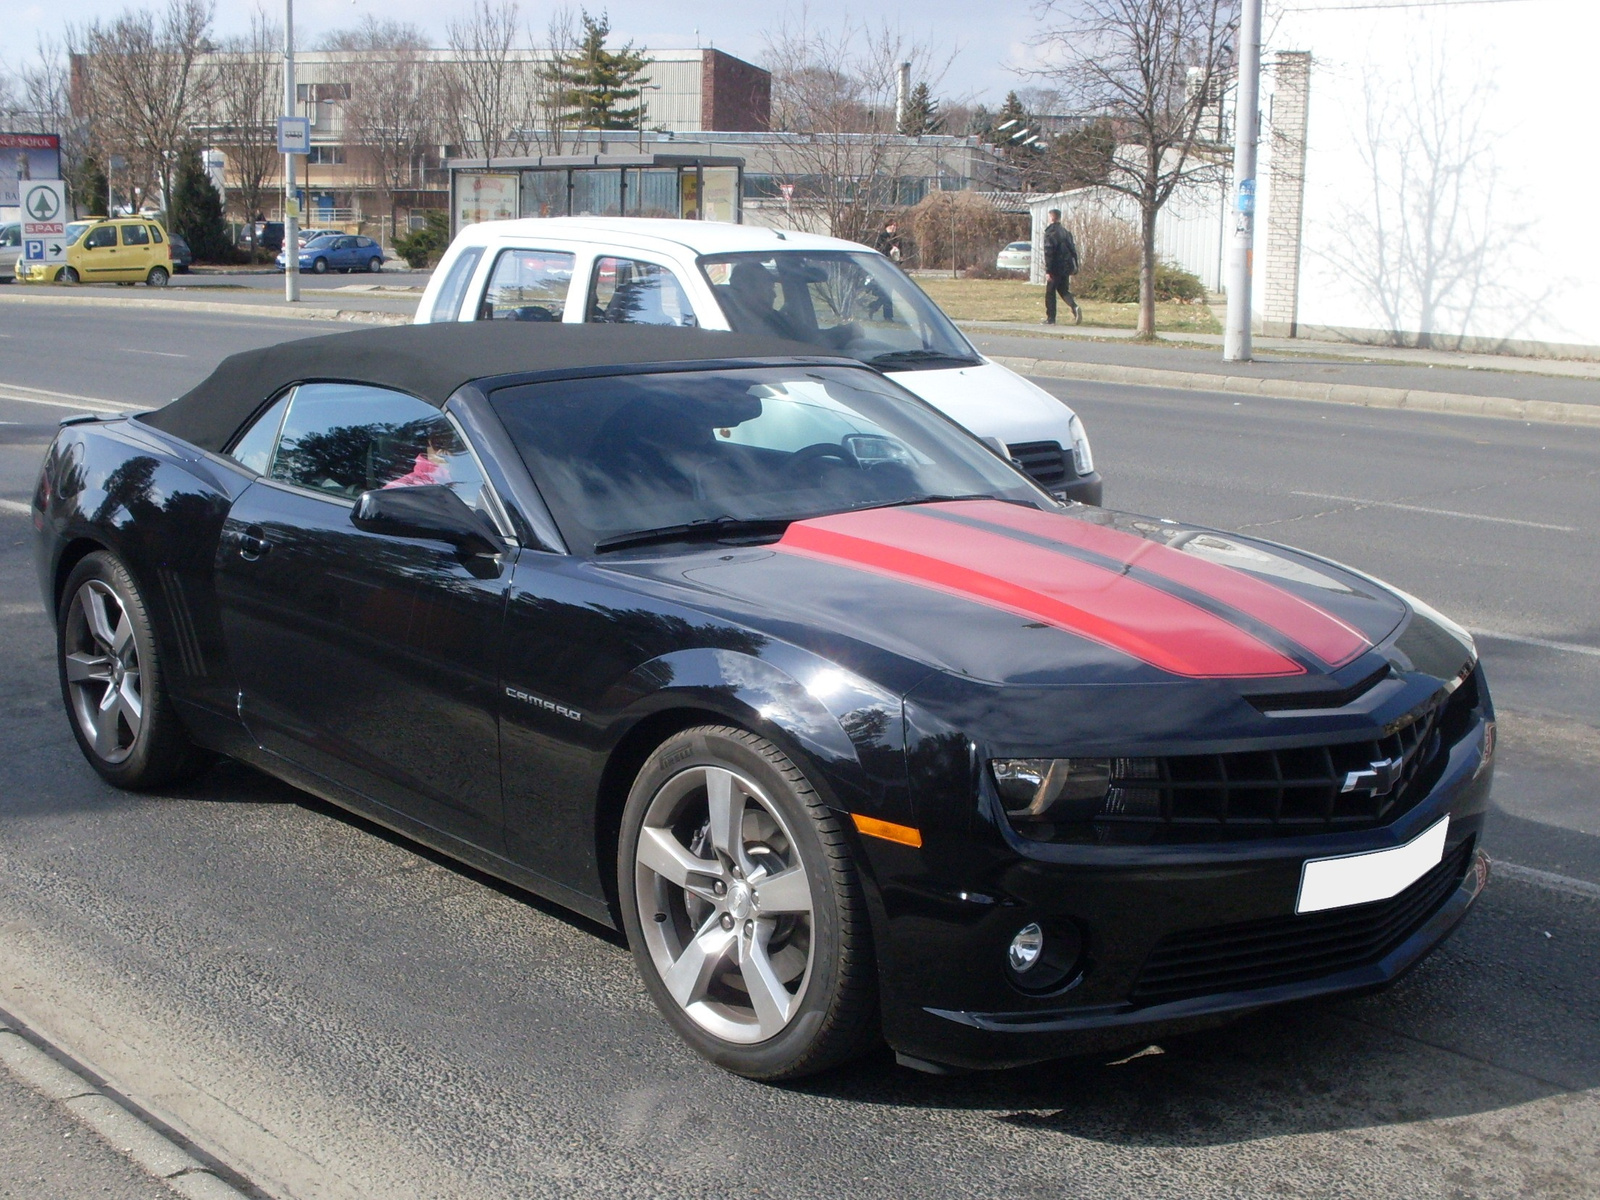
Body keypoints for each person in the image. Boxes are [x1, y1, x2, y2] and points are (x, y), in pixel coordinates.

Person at [1041, 209, 1081, 325]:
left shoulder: (1050, 233)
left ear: (1052, 218)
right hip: (1066, 266)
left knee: (1050, 292)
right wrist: (1075, 265)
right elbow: (1073, 250)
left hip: (1055, 267)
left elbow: (1049, 252)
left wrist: (1048, 270)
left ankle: (1051, 318)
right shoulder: (1065, 232)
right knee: (1063, 289)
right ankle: (1074, 307)